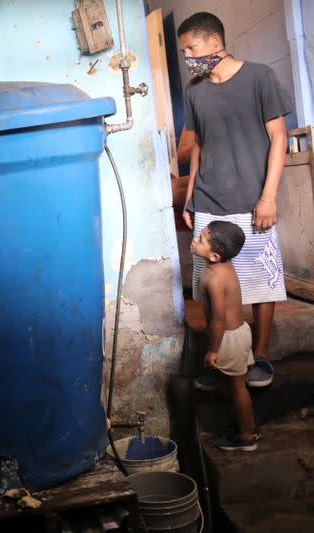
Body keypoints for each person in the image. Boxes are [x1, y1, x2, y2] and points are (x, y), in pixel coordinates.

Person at [177, 12, 290, 391]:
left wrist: (268, 197)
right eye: (184, 51)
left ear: (213, 42)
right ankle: (219, 356)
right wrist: (190, 196)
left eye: (191, 48)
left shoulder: (260, 77)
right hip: (209, 199)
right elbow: (199, 147)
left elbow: (279, 138)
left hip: (253, 200)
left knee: (262, 282)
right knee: (209, 284)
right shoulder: (195, 92)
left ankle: (260, 356)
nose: (189, 57)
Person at [191, 221, 258, 450]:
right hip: (238, 333)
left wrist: (213, 350)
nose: (194, 240)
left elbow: (219, 318)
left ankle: (247, 436)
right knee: (236, 382)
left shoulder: (215, 278)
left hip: (228, 337)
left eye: (200, 240)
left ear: (215, 256)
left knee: (238, 387)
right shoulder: (222, 268)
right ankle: (245, 426)